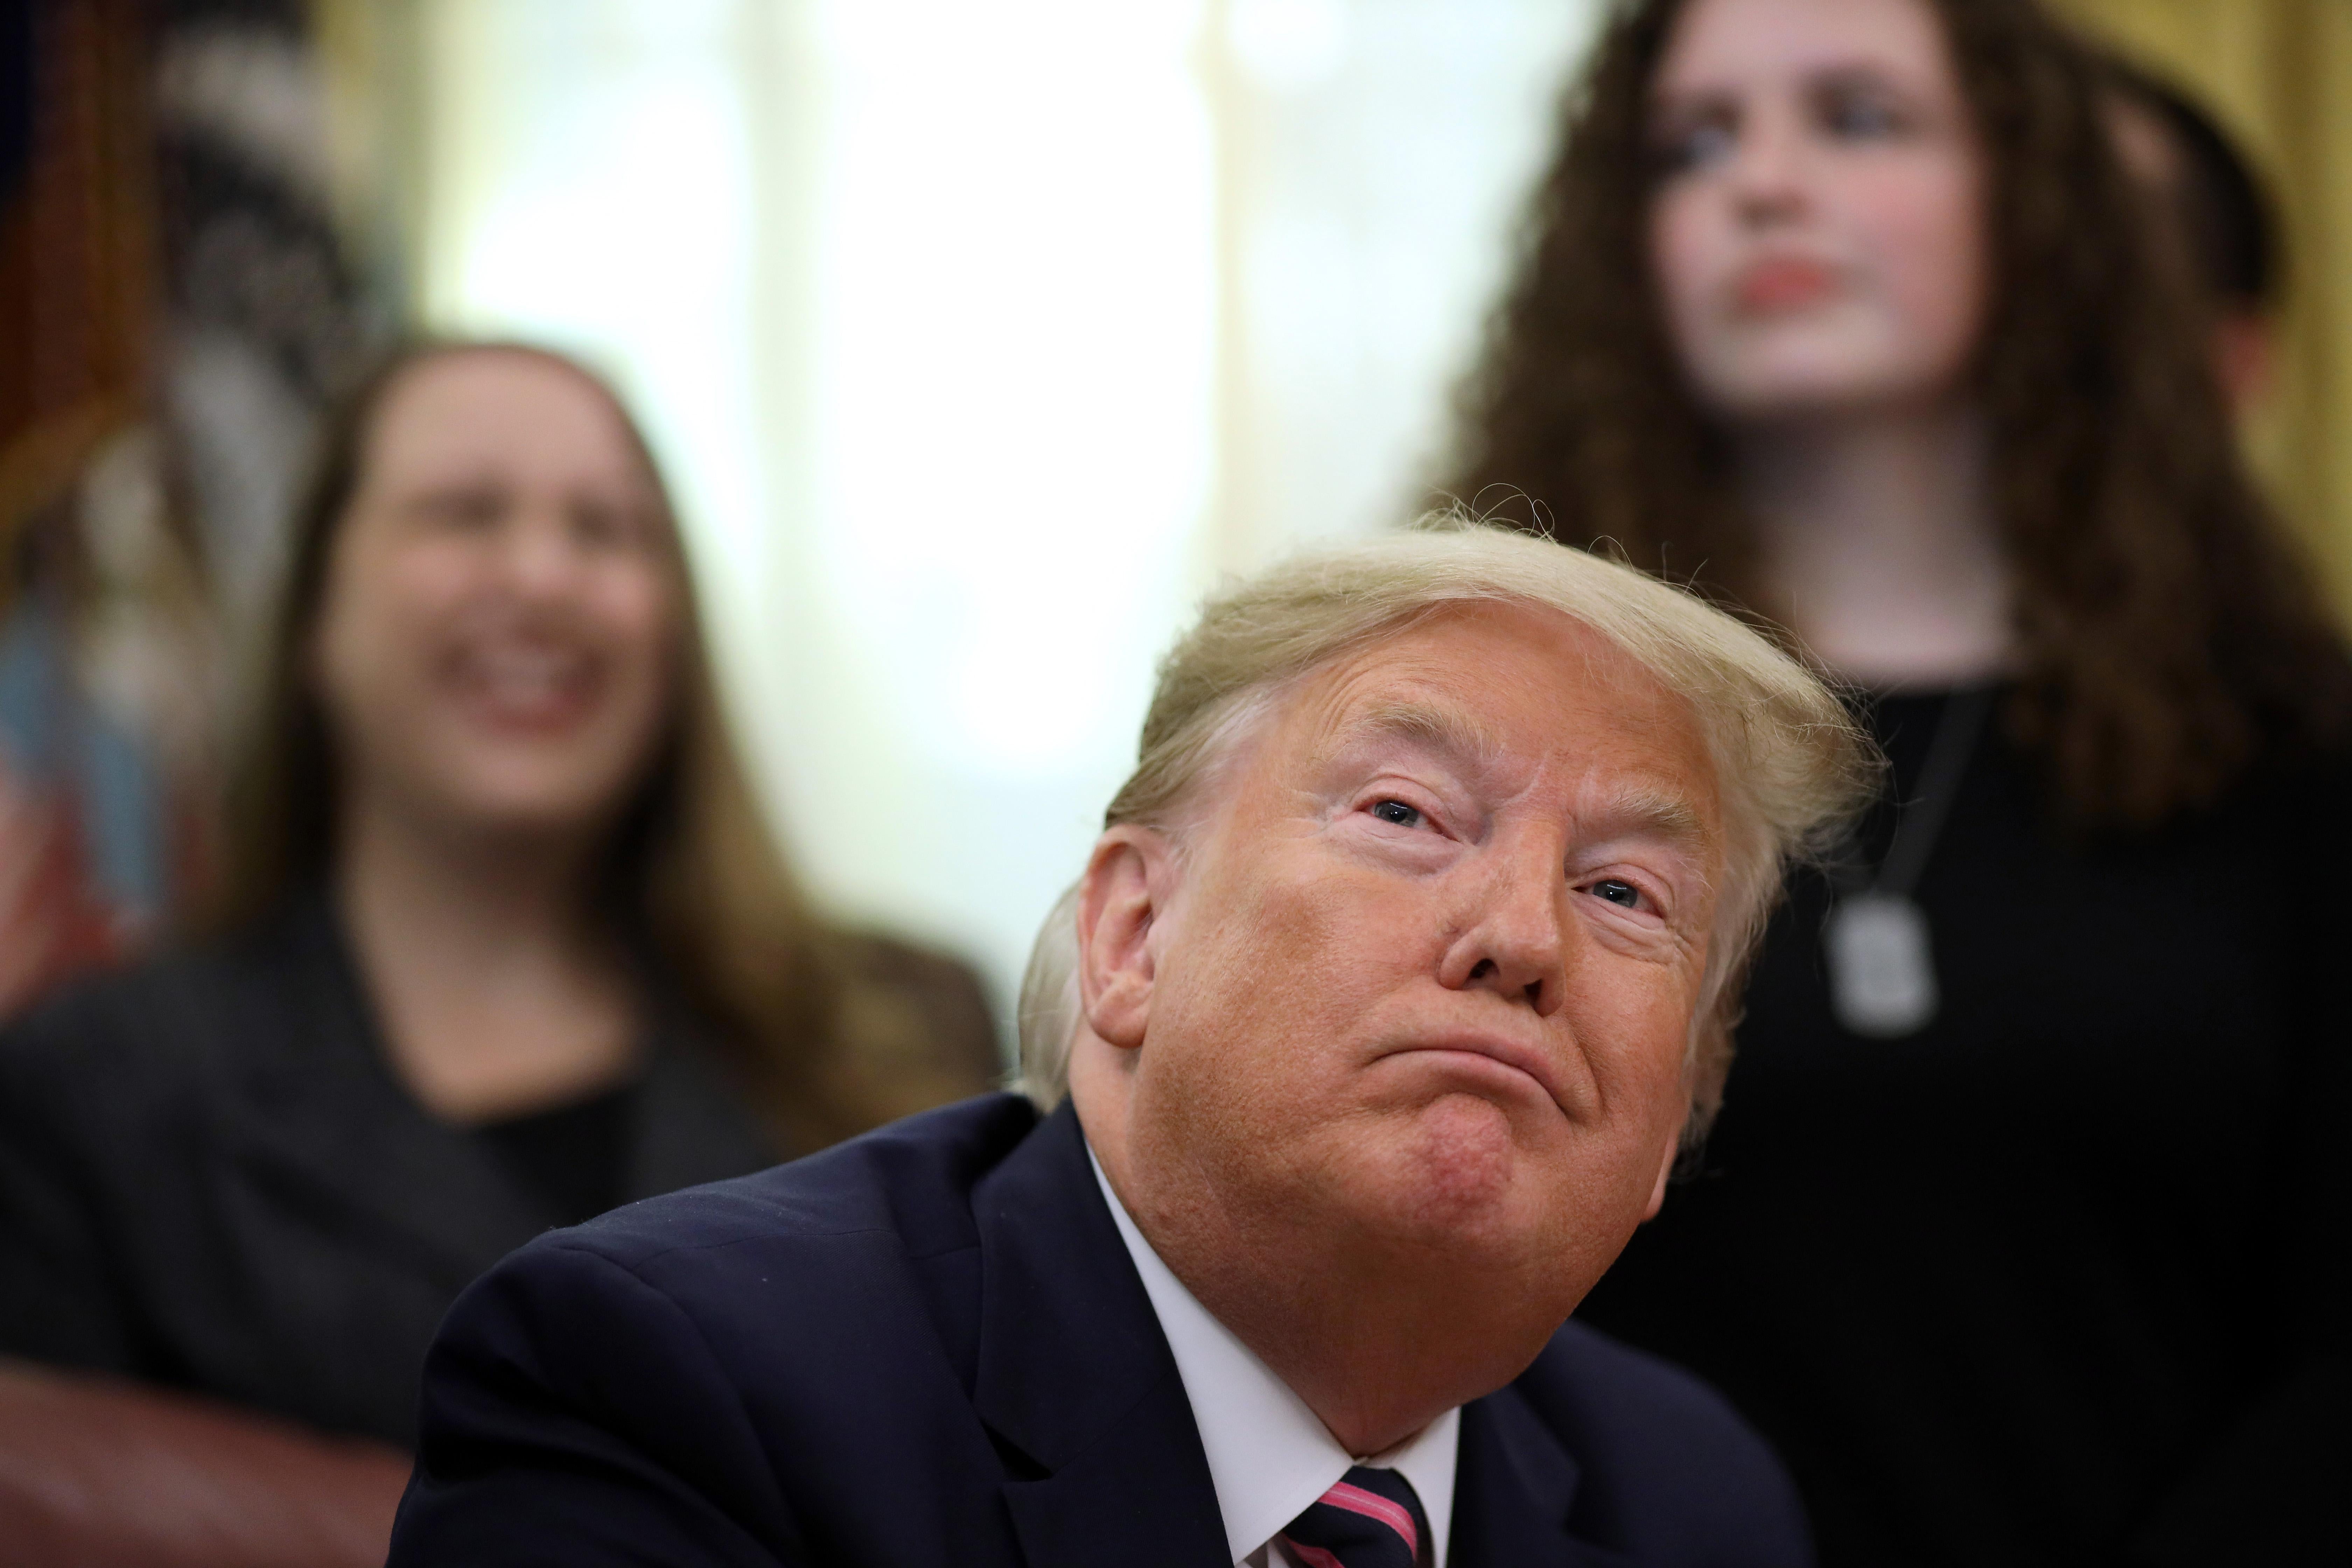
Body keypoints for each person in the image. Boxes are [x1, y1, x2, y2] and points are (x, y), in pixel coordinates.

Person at [384, 520, 1869, 1566]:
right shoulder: (687, 1388)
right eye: (1408, 816)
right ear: (1132, 937)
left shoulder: (1691, 1502)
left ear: (1683, 1104)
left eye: (1624, 893)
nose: (1524, 935)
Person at [1447, 1, 2352, 1564]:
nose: (1764, 185)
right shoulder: (1493, 735)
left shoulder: (2295, 753)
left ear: (2044, 199)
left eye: (1858, 118)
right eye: (1694, 144)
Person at [0, 341, 1001, 1449]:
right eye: (464, 514)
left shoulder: (914, 1027)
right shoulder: (96, 1091)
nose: (541, 578)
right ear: (315, 620)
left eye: (606, 529)